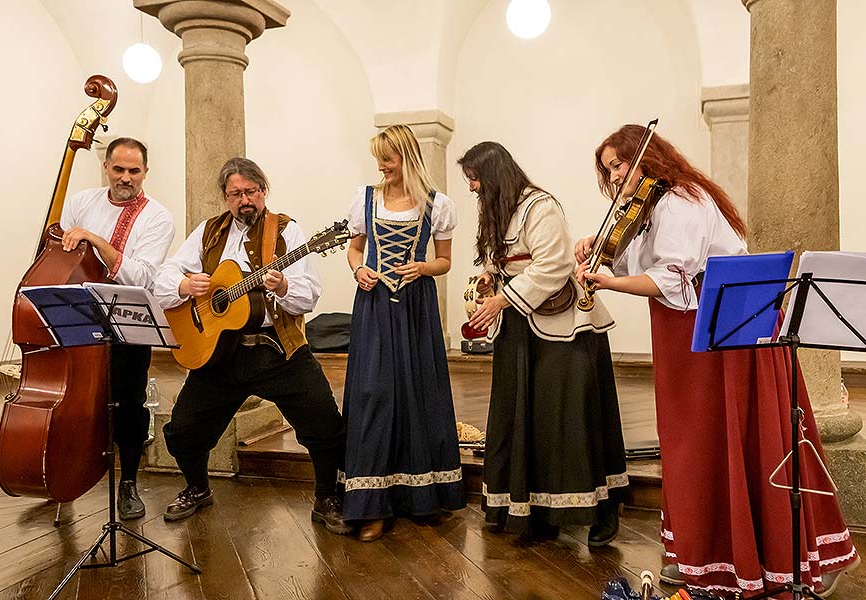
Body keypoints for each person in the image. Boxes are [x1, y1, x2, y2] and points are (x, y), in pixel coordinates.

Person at [575, 124, 860, 596]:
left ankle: (793, 556)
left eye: (621, 163)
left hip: (724, 319)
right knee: (697, 442)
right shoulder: (650, 208)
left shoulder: (683, 199)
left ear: (650, 157)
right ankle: (706, 553)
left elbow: (671, 277)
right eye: (609, 170)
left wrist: (607, 282)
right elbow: (639, 264)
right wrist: (598, 249)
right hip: (683, 329)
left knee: (740, 437)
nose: (617, 175)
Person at [153, 157, 350, 533]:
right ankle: (197, 488)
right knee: (182, 431)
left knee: (324, 423)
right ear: (225, 197)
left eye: (251, 192)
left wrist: (283, 286)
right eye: (235, 194)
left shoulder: (287, 232)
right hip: (219, 354)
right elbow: (167, 272)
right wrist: (183, 286)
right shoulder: (209, 231)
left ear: (263, 191)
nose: (244, 200)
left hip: (277, 349)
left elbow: (309, 294)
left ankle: (326, 497)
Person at [459, 141, 629, 545]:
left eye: (475, 178)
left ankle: (600, 510)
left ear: (494, 175)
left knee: (569, 422)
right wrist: (488, 277)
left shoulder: (540, 206)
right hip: (520, 329)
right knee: (523, 420)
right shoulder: (497, 210)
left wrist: (502, 297)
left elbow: (554, 264)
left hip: (563, 332)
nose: (471, 188)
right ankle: (530, 511)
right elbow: (499, 258)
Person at [343, 124, 466, 542]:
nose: (382, 166)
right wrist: (359, 268)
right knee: (373, 393)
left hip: (416, 308)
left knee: (417, 391)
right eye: (379, 158)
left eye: (389, 159)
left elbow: (445, 261)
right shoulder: (366, 199)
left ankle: (420, 496)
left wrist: (422, 267)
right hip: (374, 305)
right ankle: (369, 505)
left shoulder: (438, 204)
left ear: (408, 158)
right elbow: (355, 249)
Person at [60, 137, 175, 520]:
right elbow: (62, 253)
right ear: (105, 167)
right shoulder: (80, 202)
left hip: (129, 320)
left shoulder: (156, 217)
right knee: (75, 400)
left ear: (145, 172)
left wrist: (94, 238)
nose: (126, 178)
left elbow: (139, 275)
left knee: (129, 402)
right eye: (118, 169)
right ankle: (69, 476)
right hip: (81, 316)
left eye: (134, 171)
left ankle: (128, 482)